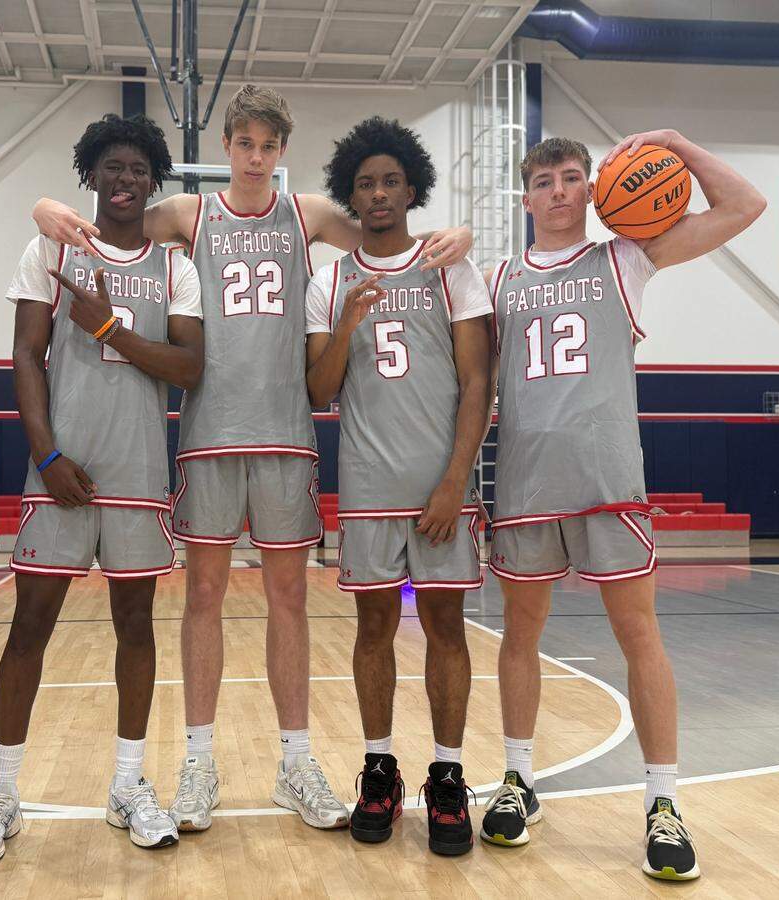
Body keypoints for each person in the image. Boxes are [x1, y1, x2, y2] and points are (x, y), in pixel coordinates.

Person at [31, 85, 472, 832]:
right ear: (227, 147)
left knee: (289, 601)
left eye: (269, 146)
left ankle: (295, 763)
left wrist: (459, 232)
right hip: (209, 432)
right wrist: (44, 207)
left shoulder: (307, 214)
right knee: (203, 597)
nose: (256, 158)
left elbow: (385, 230)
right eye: (245, 144)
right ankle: (198, 763)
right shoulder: (191, 213)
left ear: (282, 150)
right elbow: (113, 216)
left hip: (286, 433)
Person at [481, 131, 766, 881]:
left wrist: (674, 143)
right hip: (526, 487)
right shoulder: (499, 279)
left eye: (572, 177)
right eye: (544, 181)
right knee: (520, 636)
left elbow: (745, 205)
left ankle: (663, 802)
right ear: (526, 198)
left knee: (640, 636)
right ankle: (518, 779)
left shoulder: (627, 259)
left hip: (609, 484)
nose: (559, 191)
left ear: (592, 187)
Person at [0, 114, 204, 861]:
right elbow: (24, 356)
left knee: (137, 629)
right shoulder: (51, 249)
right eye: (112, 166)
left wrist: (108, 330)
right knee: (28, 628)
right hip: (58, 471)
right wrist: (47, 452)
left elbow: (189, 369)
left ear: (153, 182)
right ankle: (1, 794)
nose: (125, 179)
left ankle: (128, 785)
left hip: (137, 475)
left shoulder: (175, 268)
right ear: (89, 174)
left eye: (138, 169)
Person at [304, 117, 492, 855]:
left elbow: (478, 383)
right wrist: (348, 323)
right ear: (350, 197)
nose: (378, 193)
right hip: (369, 487)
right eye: (365, 185)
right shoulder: (329, 281)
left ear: (412, 189)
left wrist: (456, 481)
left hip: (441, 489)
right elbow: (319, 389)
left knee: (446, 629)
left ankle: (447, 775)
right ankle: (379, 768)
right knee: (373, 630)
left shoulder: (451, 268)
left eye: (390, 181)